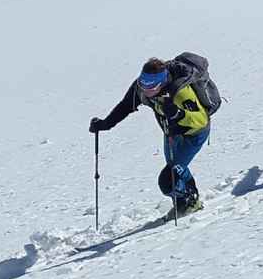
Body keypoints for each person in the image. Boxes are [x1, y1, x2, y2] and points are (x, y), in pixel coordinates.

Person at [89, 55, 215, 217]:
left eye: (152, 87)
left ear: (162, 83)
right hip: (170, 133)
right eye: (144, 85)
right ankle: (184, 200)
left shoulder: (180, 92)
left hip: (193, 135)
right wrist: (106, 124)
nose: (147, 91)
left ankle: (191, 201)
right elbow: (126, 105)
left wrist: (178, 114)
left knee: (168, 181)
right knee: (175, 167)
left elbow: (201, 120)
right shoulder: (141, 87)